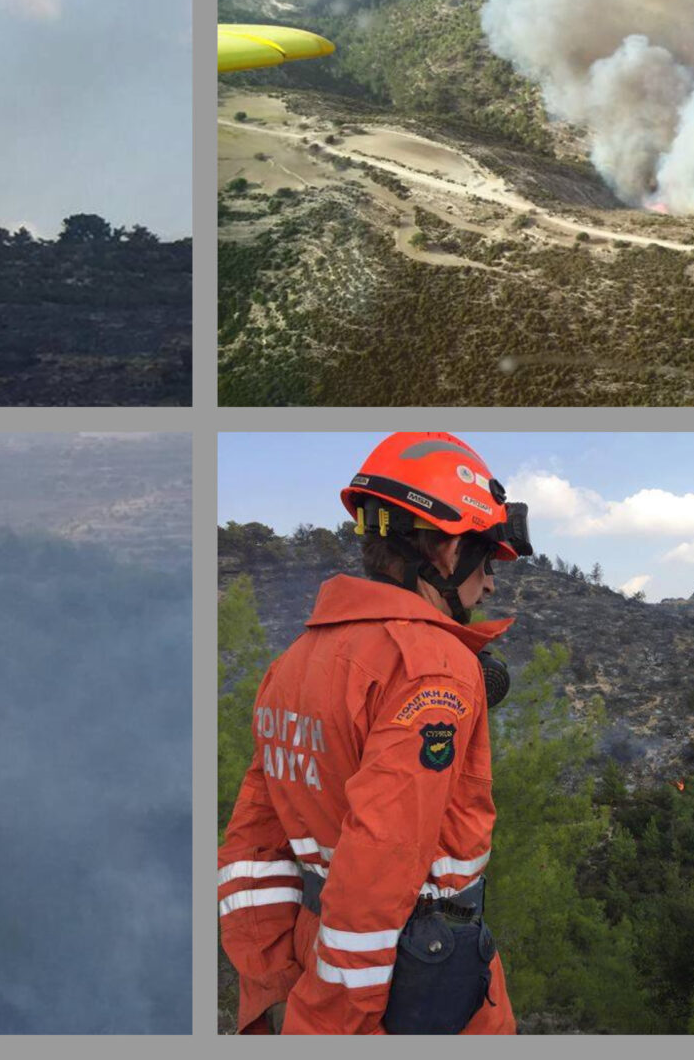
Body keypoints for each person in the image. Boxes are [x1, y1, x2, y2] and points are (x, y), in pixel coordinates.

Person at [217, 432, 531, 1034]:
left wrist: (270, 989)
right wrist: (329, 1026)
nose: (489, 583)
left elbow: (253, 848)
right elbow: (381, 861)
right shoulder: (434, 666)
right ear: (443, 548)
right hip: (407, 980)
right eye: (486, 558)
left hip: (322, 958)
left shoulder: (294, 661)